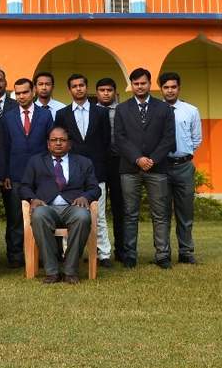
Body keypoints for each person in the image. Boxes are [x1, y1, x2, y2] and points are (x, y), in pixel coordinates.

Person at [18, 126, 101, 284]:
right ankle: (52, 271)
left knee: (83, 216)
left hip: (73, 207)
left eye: (62, 140)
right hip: (46, 207)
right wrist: (32, 198)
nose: (58, 143)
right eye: (54, 140)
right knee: (39, 215)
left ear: (69, 144)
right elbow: (24, 186)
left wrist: (85, 196)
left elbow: (95, 188)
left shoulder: (84, 162)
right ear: (48, 144)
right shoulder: (36, 161)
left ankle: (70, 270)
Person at [114, 67, 177, 269]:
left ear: (150, 84)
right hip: (129, 168)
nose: (139, 87)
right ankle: (130, 255)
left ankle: (163, 255)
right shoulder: (122, 109)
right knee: (130, 214)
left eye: (143, 83)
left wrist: (152, 160)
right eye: (136, 84)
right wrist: (137, 158)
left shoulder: (164, 109)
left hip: (157, 168)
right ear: (131, 85)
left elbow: (168, 139)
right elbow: (120, 138)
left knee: (160, 214)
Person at [55, 73, 113, 269]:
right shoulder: (62, 114)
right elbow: (61, 143)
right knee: (69, 213)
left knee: (100, 215)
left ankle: (103, 253)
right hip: (71, 173)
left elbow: (106, 143)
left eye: (81, 85)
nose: (78, 88)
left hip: (97, 172)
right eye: (74, 86)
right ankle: (67, 252)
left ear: (86, 88)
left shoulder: (101, 112)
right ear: (69, 90)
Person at [1, 77, 53, 268]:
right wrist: (4, 174)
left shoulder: (46, 116)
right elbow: (4, 147)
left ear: (33, 92)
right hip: (14, 176)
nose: (21, 96)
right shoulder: (7, 117)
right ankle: (15, 257)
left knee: (42, 216)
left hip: (41, 176)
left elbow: (50, 146)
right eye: (18, 93)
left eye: (25, 92)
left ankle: (42, 255)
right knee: (15, 218)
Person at [159, 71, 203, 265]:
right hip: (161, 167)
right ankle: (163, 253)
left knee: (185, 212)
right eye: (166, 87)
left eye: (173, 87)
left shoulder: (191, 110)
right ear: (161, 89)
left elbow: (196, 139)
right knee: (162, 213)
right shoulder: (155, 110)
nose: (170, 90)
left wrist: (183, 154)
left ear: (179, 88)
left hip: (184, 166)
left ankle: (186, 251)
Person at [96, 77, 126, 263]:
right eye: (102, 90)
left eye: (109, 90)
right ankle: (97, 250)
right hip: (98, 163)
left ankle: (121, 250)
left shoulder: (123, 111)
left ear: (115, 92)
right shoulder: (91, 111)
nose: (106, 93)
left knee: (120, 208)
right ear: (97, 92)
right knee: (96, 210)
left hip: (119, 163)